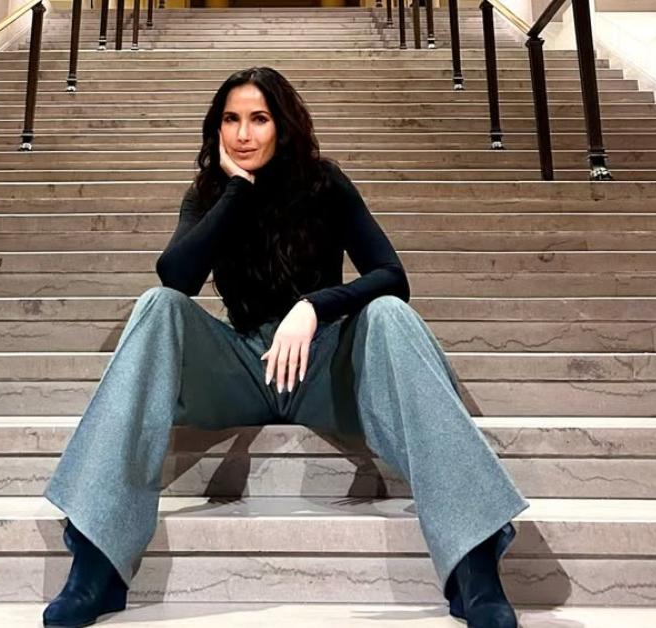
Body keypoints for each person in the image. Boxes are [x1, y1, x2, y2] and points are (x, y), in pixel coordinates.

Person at [41, 67, 529, 628]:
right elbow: (176, 276)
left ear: (283, 126)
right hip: (243, 368)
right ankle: (96, 562)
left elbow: (392, 276)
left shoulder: (324, 183)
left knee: (391, 315)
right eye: (231, 119)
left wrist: (315, 305)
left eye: (259, 119)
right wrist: (233, 192)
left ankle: (475, 562)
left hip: (323, 367)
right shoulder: (207, 195)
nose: (243, 134)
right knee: (157, 306)